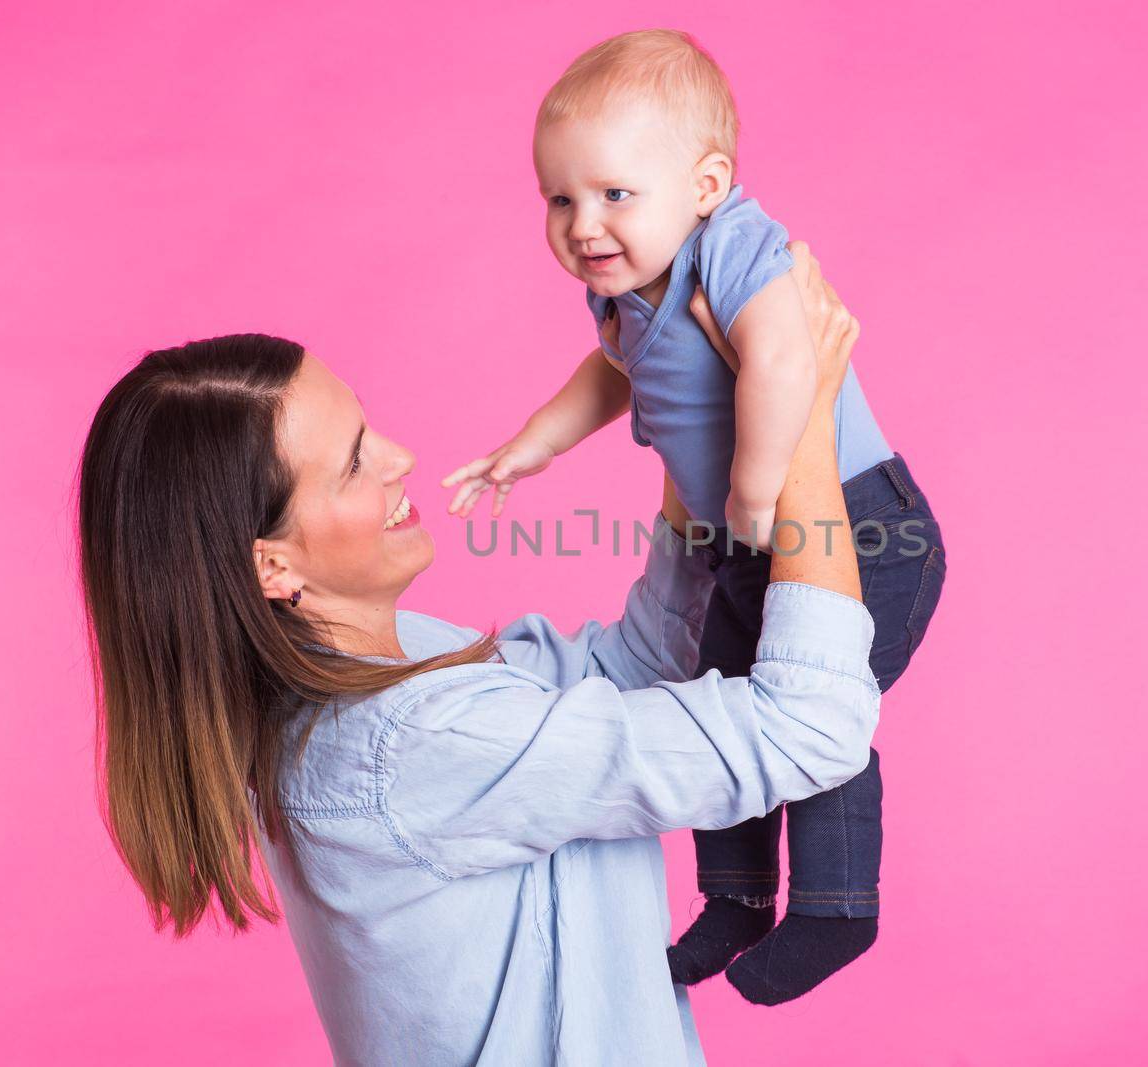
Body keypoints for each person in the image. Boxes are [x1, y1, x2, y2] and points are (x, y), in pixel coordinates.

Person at [78, 248, 876, 1064]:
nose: (399, 460)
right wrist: (801, 414)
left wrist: (685, 407)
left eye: (367, 425)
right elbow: (813, 725)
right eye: (355, 462)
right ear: (271, 565)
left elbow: (625, 675)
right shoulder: (407, 746)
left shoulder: (386, 662)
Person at [440, 29, 946, 1003]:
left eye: (615, 194)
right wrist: (536, 440)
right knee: (718, 696)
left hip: (859, 528)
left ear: (706, 184)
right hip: (748, 550)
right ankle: (737, 896)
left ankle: (837, 904)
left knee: (815, 708)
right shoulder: (628, 293)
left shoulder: (733, 247)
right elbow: (611, 375)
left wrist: (757, 489)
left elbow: (786, 355)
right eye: (561, 197)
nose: (584, 223)